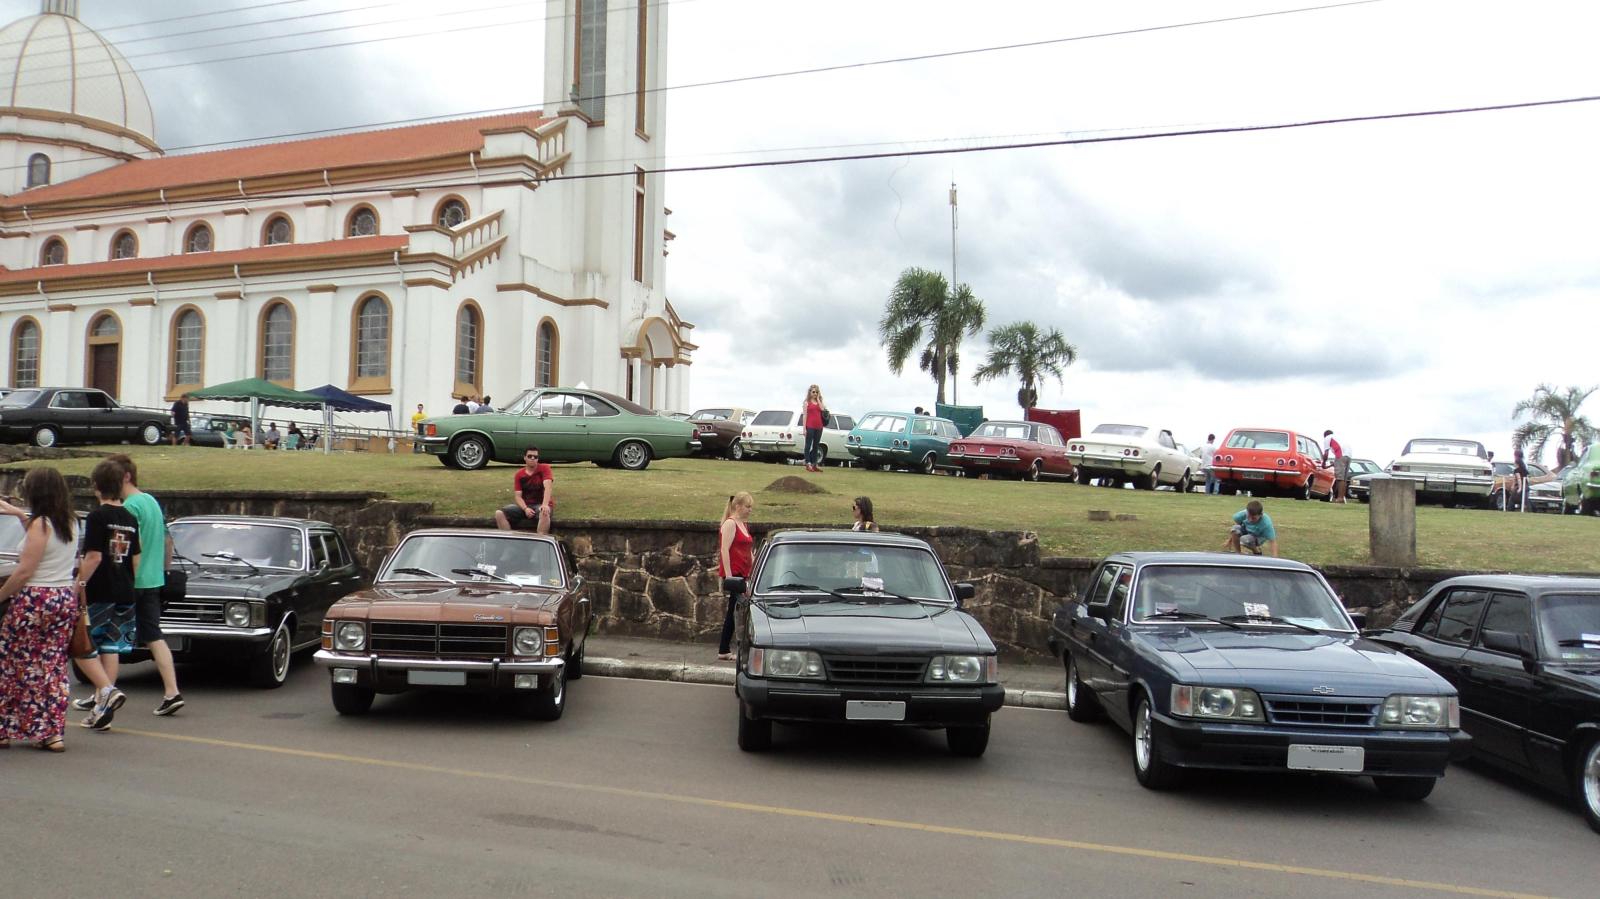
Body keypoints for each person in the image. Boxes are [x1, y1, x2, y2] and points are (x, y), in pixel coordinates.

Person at [0, 468, 81, 752]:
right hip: (62, 598)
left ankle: (5, 727)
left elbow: (25, 570)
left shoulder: (40, 525)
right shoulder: (70, 522)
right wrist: (19, 515)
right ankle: (51, 731)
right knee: (51, 665)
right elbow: (47, 545)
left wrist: (1, 595)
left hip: (35, 598)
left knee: (12, 664)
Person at [106, 454, 184, 716]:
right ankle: (172, 691)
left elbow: (121, 549)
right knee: (153, 635)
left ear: (125, 476)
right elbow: (167, 541)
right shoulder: (150, 501)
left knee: (110, 637)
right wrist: (163, 569)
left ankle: (103, 694)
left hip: (131, 580)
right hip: (153, 579)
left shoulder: (129, 507)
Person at [73, 459, 141, 731]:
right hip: (125, 589)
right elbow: (135, 558)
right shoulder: (130, 518)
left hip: (101, 589)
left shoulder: (97, 517)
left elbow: (93, 556)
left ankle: (106, 692)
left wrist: (79, 585)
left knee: (85, 645)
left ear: (96, 486)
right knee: (111, 645)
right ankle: (103, 705)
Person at [716, 492, 754, 661]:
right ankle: (724, 649)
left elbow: (748, 551)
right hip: (735, 575)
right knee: (736, 610)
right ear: (738, 506)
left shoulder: (744, 524)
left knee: (737, 610)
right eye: (747, 506)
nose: (750, 510)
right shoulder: (730, 524)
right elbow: (724, 550)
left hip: (743, 573)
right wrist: (729, 576)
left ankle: (726, 648)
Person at [493, 447, 554, 534]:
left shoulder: (544, 468)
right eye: (530, 456)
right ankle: (508, 541)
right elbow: (518, 496)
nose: (533, 458)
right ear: (525, 457)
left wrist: (545, 505)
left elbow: (548, 487)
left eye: (535, 457)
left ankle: (540, 541)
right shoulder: (519, 474)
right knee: (499, 513)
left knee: (544, 512)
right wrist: (525, 509)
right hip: (526, 506)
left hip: (540, 505)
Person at [800, 384, 827, 473]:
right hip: (810, 426)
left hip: (819, 426)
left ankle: (814, 464)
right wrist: (804, 429)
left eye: (816, 392)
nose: (815, 394)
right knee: (808, 445)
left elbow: (823, 409)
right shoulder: (806, 402)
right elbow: (805, 416)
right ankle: (808, 463)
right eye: (813, 392)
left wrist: (818, 399)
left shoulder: (819, 402)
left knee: (816, 445)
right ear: (810, 392)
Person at [1323, 429, 1349, 504]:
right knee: (1344, 478)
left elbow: (1326, 453)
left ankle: (1340, 498)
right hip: (1349, 455)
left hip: (1341, 455)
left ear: (1325, 435)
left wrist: (1324, 463)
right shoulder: (1338, 437)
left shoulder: (1327, 438)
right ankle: (1343, 498)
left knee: (1339, 478)